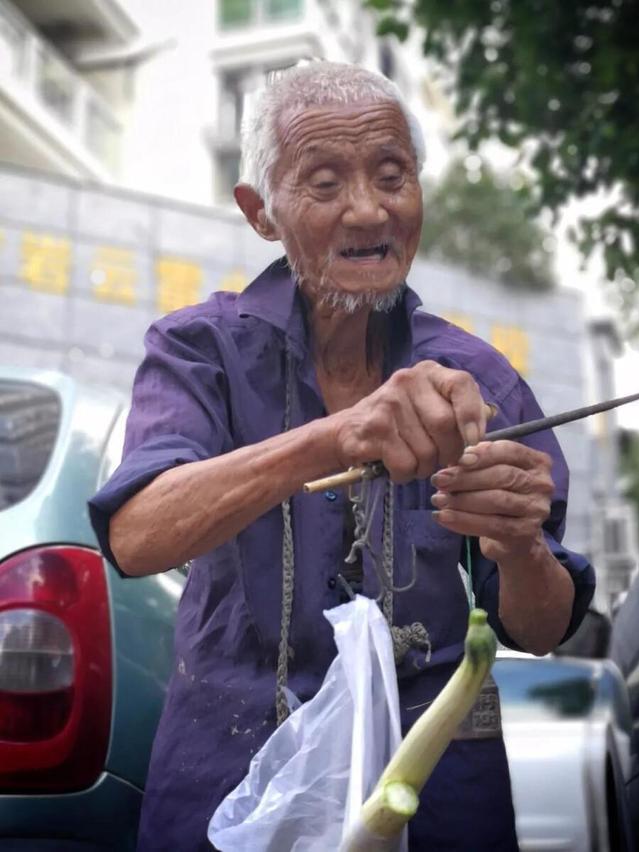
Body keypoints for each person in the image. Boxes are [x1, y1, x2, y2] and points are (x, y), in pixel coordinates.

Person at [89, 62, 595, 851]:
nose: (369, 209)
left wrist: (521, 544)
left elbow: (540, 626)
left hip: (433, 795)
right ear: (261, 213)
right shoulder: (200, 350)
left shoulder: (480, 378)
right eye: (324, 183)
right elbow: (136, 534)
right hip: (231, 784)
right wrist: (335, 435)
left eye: (393, 176)